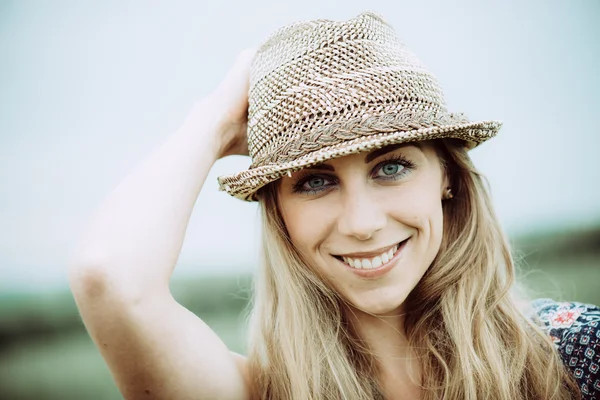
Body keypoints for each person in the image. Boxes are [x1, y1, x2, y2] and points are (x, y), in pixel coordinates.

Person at [69, 12, 599, 400]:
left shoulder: (576, 355)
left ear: (447, 177)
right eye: (315, 182)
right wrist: (215, 122)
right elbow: (109, 279)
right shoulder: (264, 394)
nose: (363, 223)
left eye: (390, 167)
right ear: (279, 211)